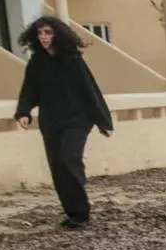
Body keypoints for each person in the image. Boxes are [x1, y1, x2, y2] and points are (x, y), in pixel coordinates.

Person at [13, 16, 113, 230]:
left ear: (58, 34)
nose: (44, 37)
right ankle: (73, 213)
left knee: (69, 160)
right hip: (51, 120)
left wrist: (102, 121)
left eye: (48, 32)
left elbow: (89, 90)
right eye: (40, 33)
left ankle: (81, 210)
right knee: (57, 166)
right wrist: (23, 112)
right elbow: (29, 90)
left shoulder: (72, 60)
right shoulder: (36, 63)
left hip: (77, 119)